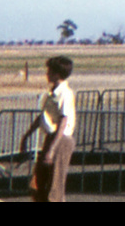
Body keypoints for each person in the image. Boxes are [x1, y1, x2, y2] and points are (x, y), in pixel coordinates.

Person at [21, 56, 76, 202]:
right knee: (39, 181)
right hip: (51, 137)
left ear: (57, 73)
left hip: (61, 140)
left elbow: (63, 122)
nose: (47, 74)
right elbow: (43, 117)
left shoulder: (65, 93)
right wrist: (27, 135)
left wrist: (52, 149)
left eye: (50, 71)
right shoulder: (52, 93)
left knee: (54, 185)